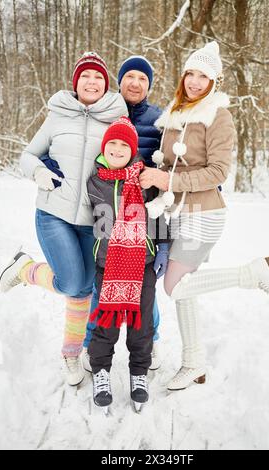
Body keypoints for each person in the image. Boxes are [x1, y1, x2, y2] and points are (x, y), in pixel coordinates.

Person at [139, 41, 269, 391]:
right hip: (177, 213)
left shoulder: (218, 115)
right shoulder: (176, 112)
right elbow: (166, 161)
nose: (194, 81)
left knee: (173, 286)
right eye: (190, 73)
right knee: (185, 289)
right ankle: (194, 364)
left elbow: (218, 171)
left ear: (214, 81)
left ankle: (253, 273)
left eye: (203, 76)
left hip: (204, 212)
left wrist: (169, 180)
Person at [0, 52, 128, 386]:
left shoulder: (116, 117)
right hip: (53, 213)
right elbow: (26, 155)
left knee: (86, 287)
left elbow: (126, 158)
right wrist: (39, 171)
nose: (91, 81)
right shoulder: (57, 115)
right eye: (85, 76)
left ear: (105, 84)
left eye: (98, 77)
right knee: (72, 283)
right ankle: (25, 271)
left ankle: (73, 351)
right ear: (75, 83)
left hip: (93, 218)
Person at [83, 55, 166, 372]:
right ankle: (95, 342)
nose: (135, 82)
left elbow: (171, 164)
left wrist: (162, 240)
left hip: (143, 209)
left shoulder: (159, 119)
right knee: (101, 283)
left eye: (143, 78)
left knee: (146, 287)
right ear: (120, 81)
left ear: (149, 85)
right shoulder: (106, 112)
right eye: (129, 76)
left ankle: (151, 339)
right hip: (107, 201)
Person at [86, 116, 169, 413]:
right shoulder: (94, 179)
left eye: (124, 145)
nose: (118, 149)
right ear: (104, 147)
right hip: (106, 263)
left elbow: (158, 215)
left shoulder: (145, 179)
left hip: (142, 263)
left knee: (142, 323)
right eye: (113, 144)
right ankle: (101, 372)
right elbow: (92, 220)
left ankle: (138, 373)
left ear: (133, 150)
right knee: (105, 323)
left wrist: (163, 247)